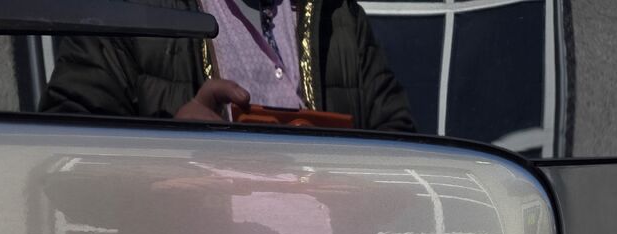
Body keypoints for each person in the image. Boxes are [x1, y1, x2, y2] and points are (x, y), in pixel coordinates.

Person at [39, 0, 415, 133]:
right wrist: (165, 152)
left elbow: (402, 155)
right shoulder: (128, 9)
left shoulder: (339, 14)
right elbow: (59, 162)